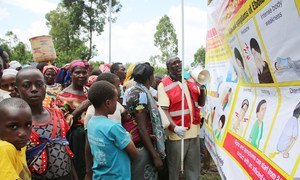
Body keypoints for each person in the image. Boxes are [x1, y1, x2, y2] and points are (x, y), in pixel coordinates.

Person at [15, 67, 75, 179]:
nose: (34, 89)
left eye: (39, 84)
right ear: (17, 90)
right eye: (27, 85)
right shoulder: (15, 122)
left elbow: (64, 147)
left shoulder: (57, 114)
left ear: (45, 87)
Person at [158, 56, 206, 180]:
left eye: (179, 62)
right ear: (168, 68)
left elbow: (201, 103)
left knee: (193, 168)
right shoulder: (164, 85)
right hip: (177, 134)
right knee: (175, 169)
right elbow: (164, 110)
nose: (178, 65)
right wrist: (175, 128)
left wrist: (202, 88)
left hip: (194, 132)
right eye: (174, 63)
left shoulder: (189, 80)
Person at [85, 81, 138, 179]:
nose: (117, 103)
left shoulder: (91, 122)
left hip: (100, 176)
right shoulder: (114, 127)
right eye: (116, 100)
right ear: (108, 103)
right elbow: (134, 154)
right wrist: (128, 137)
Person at [124, 63, 166, 180]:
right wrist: (155, 155)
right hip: (141, 145)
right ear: (149, 78)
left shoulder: (133, 90)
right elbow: (141, 128)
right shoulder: (141, 95)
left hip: (141, 140)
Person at [55, 60, 89, 180]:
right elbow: (62, 124)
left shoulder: (89, 92)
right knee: (80, 169)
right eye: (77, 72)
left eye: (84, 72)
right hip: (76, 139)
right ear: (71, 74)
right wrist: (80, 109)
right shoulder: (62, 96)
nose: (81, 75)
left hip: (92, 135)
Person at [0, 98, 32, 179]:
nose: (23, 134)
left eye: (28, 125)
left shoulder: (19, 145)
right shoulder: (4, 148)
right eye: (13, 126)